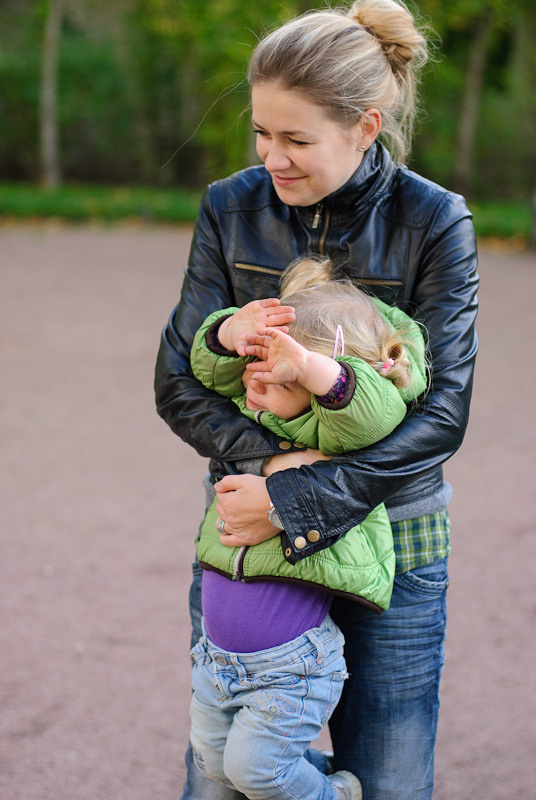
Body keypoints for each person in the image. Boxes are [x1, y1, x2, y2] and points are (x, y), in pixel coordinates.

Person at [154, 1, 479, 798]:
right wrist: (273, 474)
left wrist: (298, 496)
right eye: (262, 133)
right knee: (225, 778)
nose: (273, 157)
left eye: (297, 139)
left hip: (395, 537)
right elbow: (177, 379)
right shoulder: (231, 206)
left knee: (390, 777)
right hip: (248, 530)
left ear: (366, 126)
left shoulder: (436, 221)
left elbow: (442, 414)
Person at [187, 256, 427, 800]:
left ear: (315, 384)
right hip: (217, 658)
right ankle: (305, 774)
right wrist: (232, 332)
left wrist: (310, 369)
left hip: (288, 669)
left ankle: (334, 794)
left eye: (271, 374)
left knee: (255, 774)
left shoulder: (338, 433)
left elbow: (371, 408)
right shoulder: (261, 411)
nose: (251, 382)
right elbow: (209, 367)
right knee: (217, 766)